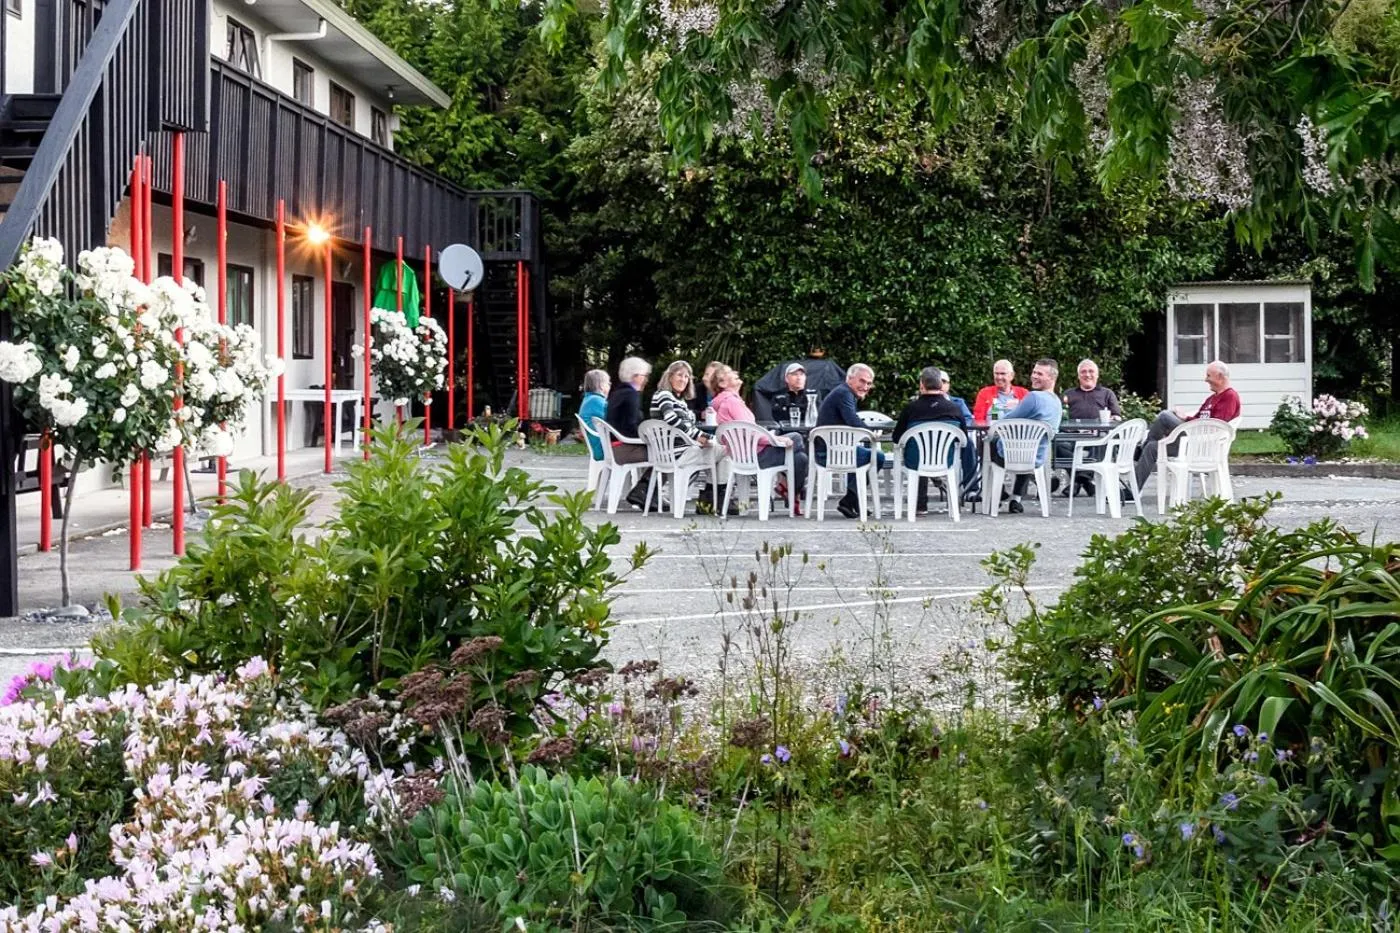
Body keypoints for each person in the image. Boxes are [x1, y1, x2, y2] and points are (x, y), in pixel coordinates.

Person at [709, 364, 807, 512]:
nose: (735, 372)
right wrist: (775, 440)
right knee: (797, 438)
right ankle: (788, 490)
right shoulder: (732, 402)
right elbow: (750, 432)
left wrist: (772, 438)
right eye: (730, 372)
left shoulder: (725, 401)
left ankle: (787, 489)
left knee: (801, 458)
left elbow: (747, 431)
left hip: (743, 455)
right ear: (722, 383)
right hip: (755, 456)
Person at [1134, 360, 1241, 491]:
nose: (1205, 379)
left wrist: (1184, 418)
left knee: (1164, 416)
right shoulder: (1211, 399)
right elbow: (1199, 419)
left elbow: (1217, 425)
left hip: (1203, 447)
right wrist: (1182, 418)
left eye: (1208, 376)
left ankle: (1139, 450)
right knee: (1151, 447)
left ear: (1220, 376)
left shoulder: (1229, 396)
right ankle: (1132, 490)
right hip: (1191, 442)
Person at [892, 367, 971, 513]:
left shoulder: (911, 409)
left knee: (919, 450)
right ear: (941, 385)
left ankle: (919, 506)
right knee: (926, 451)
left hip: (915, 461)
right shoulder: (954, 409)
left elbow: (896, 438)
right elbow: (963, 438)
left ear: (922, 385)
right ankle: (955, 507)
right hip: (946, 460)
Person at [816, 363, 888, 519]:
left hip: (832, 450)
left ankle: (853, 501)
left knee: (859, 454)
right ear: (849, 378)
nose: (865, 387)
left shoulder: (843, 392)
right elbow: (853, 420)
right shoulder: (844, 393)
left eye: (869, 383)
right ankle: (850, 500)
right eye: (862, 381)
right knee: (877, 456)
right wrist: (871, 434)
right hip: (828, 454)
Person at [991, 358, 1062, 514]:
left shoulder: (1034, 397)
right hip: (1038, 457)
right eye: (1034, 372)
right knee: (1027, 446)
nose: (1034, 376)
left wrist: (1006, 412)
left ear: (1052, 378)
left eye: (1040, 374)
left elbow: (1006, 421)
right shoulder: (1057, 402)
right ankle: (1016, 498)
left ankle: (995, 495)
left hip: (1010, 457)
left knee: (989, 441)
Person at [650, 360, 724, 511]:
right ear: (670, 376)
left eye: (686, 377)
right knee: (727, 451)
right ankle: (713, 498)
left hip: (679, 450)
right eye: (679, 375)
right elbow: (671, 419)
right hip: (677, 452)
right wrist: (698, 437)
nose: (683, 380)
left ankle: (710, 498)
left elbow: (691, 428)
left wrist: (709, 438)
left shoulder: (680, 401)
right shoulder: (664, 394)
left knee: (719, 448)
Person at [1058, 359, 1122, 497]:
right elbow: (1059, 416)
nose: (1087, 375)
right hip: (1073, 437)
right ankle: (1085, 480)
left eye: (1091, 371)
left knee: (1104, 442)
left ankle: (1078, 480)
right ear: (1078, 376)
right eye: (1083, 372)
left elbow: (1117, 417)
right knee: (1058, 444)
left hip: (1097, 437)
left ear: (1097, 375)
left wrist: (1109, 420)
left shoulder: (1107, 393)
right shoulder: (1068, 394)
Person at [605, 356, 652, 509]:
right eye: (645, 376)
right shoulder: (631, 395)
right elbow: (631, 426)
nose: (646, 380)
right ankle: (644, 491)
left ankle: (645, 491)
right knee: (669, 455)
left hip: (614, 447)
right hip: (624, 449)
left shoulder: (617, 393)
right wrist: (649, 438)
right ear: (635, 376)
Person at [764, 362, 821, 427]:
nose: (799, 378)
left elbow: (816, 414)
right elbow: (779, 418)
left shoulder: (812, 395)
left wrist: (790, 407)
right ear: (786, 378)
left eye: (801, 374)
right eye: (795, 374)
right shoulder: (779, 397)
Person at [578, 369, 610, 460]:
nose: (609, 386)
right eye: (608, 383)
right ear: (602, 386)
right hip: (603, 449)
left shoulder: (589, 400)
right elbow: (614, 421)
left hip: (597, 447)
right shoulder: (597, 401)